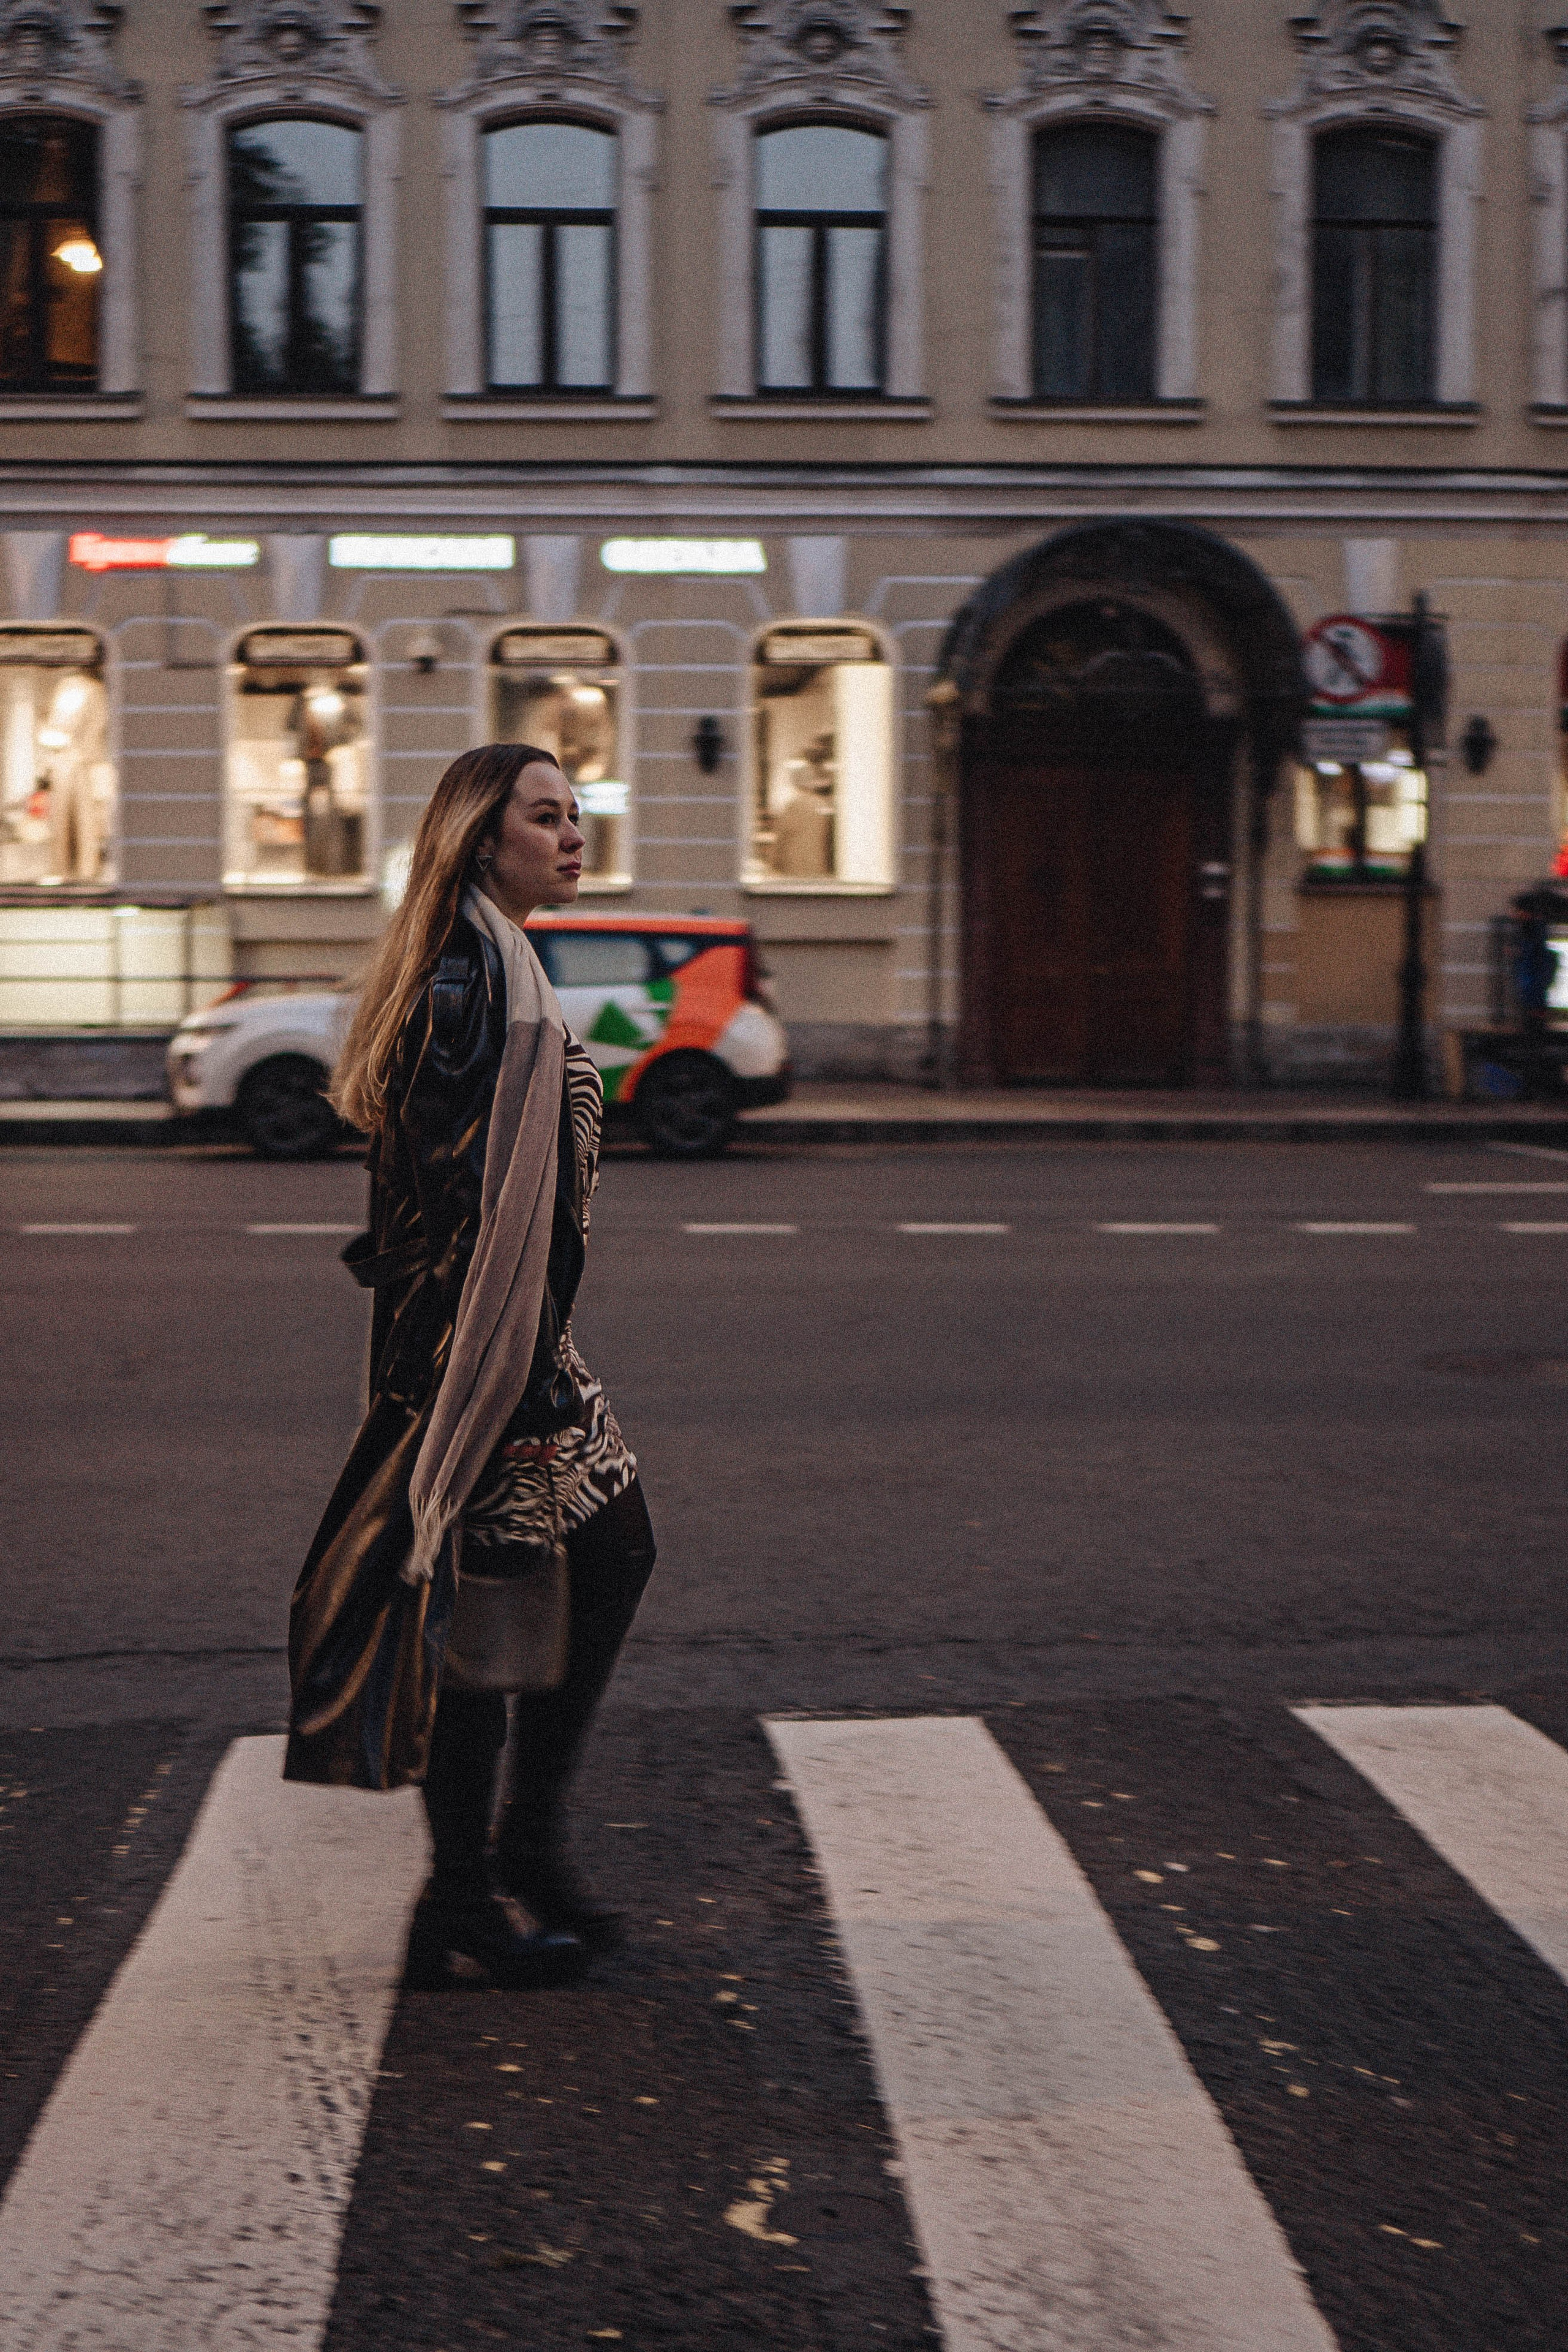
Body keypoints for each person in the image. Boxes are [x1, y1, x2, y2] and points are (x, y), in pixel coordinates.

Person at [284, 742, 657, 1991]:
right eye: (544, 817)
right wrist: (498, 1398)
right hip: (486, 1362)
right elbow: (455, 1222)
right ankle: (474, 1885)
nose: (571, 834)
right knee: (490, 1613)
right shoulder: (469, 988)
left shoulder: (496, 964)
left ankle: (513, 1860)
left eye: (573, 813)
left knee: (596, 1561)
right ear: (477, 839)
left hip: (521, 1343)